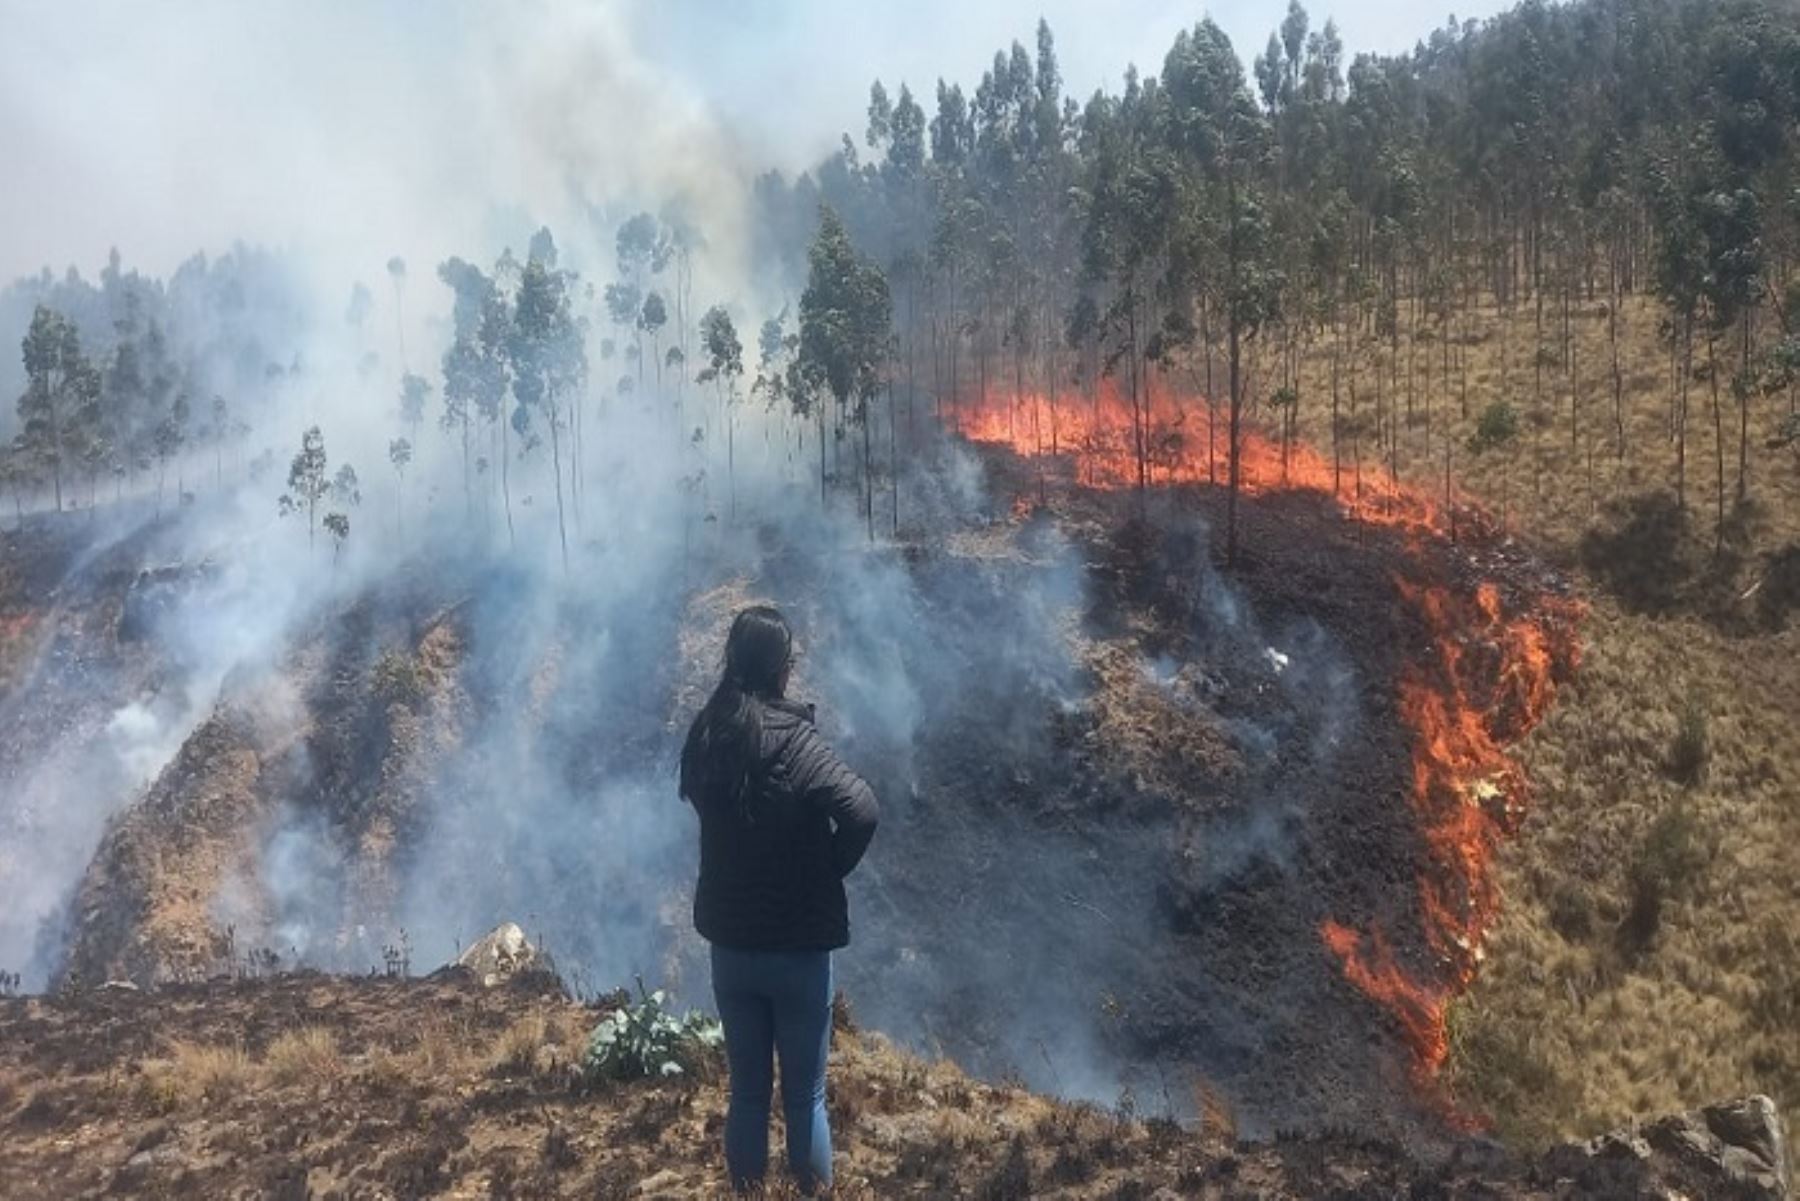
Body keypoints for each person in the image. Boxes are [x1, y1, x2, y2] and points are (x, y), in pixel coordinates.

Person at [679, 605, 879, 1195]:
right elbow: (862, 810)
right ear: (780, 669)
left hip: (731, 947)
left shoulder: (709, 734)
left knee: (745, 1090)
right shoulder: (797, 742)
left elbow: (696, 797)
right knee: (805, 1095)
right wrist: (828, 868)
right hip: (797, 949)